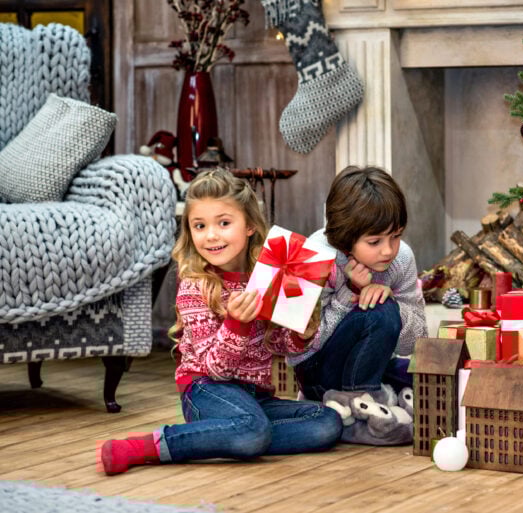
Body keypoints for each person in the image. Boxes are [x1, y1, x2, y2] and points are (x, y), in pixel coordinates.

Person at [98, 169, 342, 475]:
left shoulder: (268, 275)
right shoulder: (194, 286)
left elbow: (278, 345)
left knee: (326, 422)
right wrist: (236, 324)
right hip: (206, 389)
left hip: (256, 396)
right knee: (252, 430)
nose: (211, 235)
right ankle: (148, 446)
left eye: (224, 223)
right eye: (199, 226)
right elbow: (216, 369)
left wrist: (302, 333)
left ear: (250, 225)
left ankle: (229, 435)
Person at [290, 166, 428, 441]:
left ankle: (366, 401)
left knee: (429, 379)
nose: (388, 250)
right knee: (380, 312)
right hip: (316, 369)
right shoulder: (313, 255)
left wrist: (392, 302)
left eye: (396, 236)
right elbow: (298, 345)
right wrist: (350, 293)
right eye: (375, 241)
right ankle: (357, 406)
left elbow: (417, 341)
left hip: (373, 365)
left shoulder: (402, 259)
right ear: (346, 238)